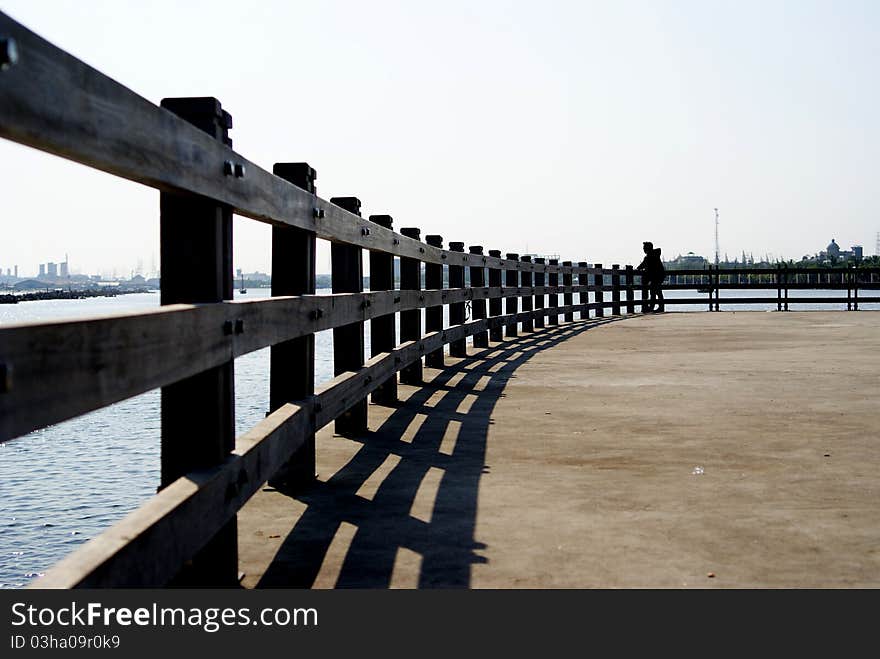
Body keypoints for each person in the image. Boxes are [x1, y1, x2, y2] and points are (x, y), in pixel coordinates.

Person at [636, 241, 665, 312]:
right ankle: (657, 307)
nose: (643, 250)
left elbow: (642, 265)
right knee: (656, 291)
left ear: (648, 248)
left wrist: (638, 269)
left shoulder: (649, 256)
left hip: (657, 276)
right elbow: (644, 265)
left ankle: (653, 307)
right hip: (658, 276)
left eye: (644, 248)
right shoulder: (654, 255)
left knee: (654, 291)